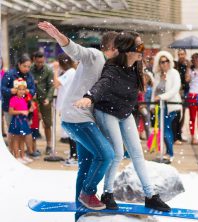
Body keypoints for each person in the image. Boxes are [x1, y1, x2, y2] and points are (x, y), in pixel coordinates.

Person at [75, 32, 171, 212]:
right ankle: (107, 193)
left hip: (125, 114)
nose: (143, 50)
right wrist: (89, 97)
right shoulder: (112, 69)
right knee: (117, 153)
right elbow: (102, 84)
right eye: (139, 47)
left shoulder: (135, 67)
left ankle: (150, 196)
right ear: (127, 50)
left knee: (137, 154)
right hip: (107, 112)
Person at [38, 21, 117, 221]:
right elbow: (76, 51)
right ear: (111, 48)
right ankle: (87, 193)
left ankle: (80, 213)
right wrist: (58, 35)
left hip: (76, 118)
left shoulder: (109, 67)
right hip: (78, 119)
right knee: (106, 155)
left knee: (86, 164)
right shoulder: (96, 56)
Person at [151, 50, 182, 161]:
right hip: (160, 106)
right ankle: (167, 152)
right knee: (163, 129)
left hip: (172, 106)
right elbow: (155, 91)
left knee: (166, 129)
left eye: (166, 61)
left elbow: (175, 89)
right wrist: (152, 106)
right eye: (162, 62)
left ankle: (170, 153)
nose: (164, 64)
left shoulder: (174, 73)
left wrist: (162, 97)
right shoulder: (158, 75)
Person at [1, 54, 36, 149]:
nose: (27, 69)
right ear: (19, 64)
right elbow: (2, 88)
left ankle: (21, 153)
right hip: (10, 107)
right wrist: (10, 91)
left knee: (22, 131)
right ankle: (12, 152)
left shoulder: (29, 76)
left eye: (29, 66)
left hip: (24, 108)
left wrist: (29, 91)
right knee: (12, 131)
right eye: (24, 66)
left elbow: (33, 90)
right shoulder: (9, 74)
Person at [53, 53, 77, 165]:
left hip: (68, 106)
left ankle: (74, 156)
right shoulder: (71, 72)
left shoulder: (70, 72)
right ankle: (74, 153)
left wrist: (55, 70)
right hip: (68, 106)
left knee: (71, 132)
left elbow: (56, 84)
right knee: (70, 131)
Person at [30, 51, 55, 155]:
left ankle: (49, 145)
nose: (40, 64)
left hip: (45, 100)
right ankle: (33, 147)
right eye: (38, 62)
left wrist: (48, 99)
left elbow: (51, 86)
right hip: (32, 100)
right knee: (34, 124)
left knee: (47, 124)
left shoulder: (48, 70)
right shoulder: (30, 69)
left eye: (42, 62)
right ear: (34, 60)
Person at [8, 78, 34, 164]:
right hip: (16, 121)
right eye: (19, 89)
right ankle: (17, 156)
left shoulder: (24, 99)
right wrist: (21, 112)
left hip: (23, 121)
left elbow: (25, 111)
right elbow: (11, 111)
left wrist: (30, 110)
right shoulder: (13, 99)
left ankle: (22, 155)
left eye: (23, 89)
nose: (22, 91)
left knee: (22, 138)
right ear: (15, 90)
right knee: (16, 139)